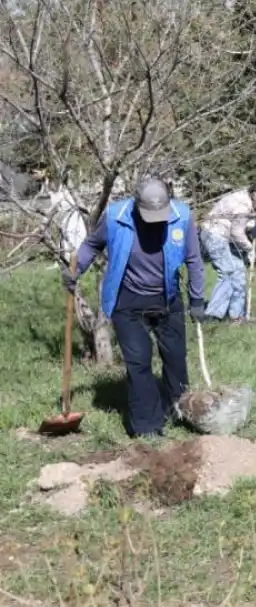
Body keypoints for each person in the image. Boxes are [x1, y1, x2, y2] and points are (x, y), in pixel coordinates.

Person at [64, 178, 207, 438]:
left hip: (168, 299)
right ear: (135, 204)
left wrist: (197, 299)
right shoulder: (116, 217)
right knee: (138, 363)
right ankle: (146, 427)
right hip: (128, 303)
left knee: (175, 360)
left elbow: (194, 260)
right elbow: (92, 245)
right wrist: (76, 269)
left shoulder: (182, 217)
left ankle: (180, 410)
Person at [199, 181, 256, 322]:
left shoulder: (249, 200)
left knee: (238, 272)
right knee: (227, 272)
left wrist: (255, 226)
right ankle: (213, 315)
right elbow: (236, 232)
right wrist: (249, 249)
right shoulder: (241, 204)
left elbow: (242, 224)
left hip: (228, 237)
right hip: (215, 235)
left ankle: (237, 315)